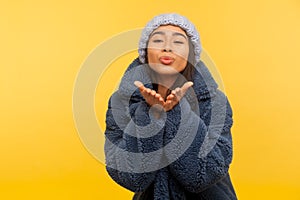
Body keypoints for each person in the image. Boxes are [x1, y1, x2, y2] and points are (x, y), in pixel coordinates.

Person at [104, 13, 237, 200]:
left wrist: (178, 113)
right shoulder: (121, 104)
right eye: (158, 40)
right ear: (145, 52)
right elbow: (132, 178)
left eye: (178, 42)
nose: (167, 47)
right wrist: (151, 114)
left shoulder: (215, 103)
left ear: (191, 54)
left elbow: (201, 176)